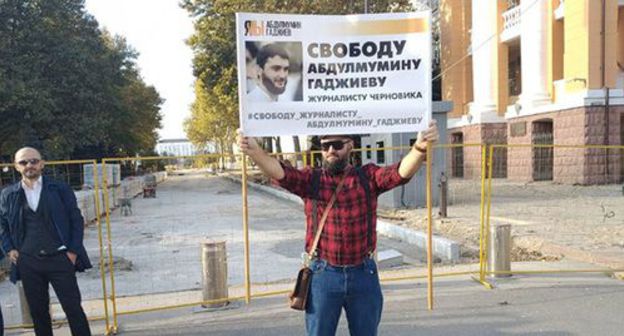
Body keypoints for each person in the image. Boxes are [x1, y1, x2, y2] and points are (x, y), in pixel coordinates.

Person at [237, 121, 439, 336]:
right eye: (325, 146)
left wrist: (420, 148)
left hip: (363, 274)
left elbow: (399, 173)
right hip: (323, 275)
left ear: (350, 145)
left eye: (336, 144)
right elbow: (280, 173)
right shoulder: (311, 180)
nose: (331, 151)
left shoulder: (367, 178)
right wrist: (254, 151)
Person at [0, 147, 92, 336]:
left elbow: (76, 219)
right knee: (38, 314)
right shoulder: (9, 194)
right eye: (23, 162)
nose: (29, 165)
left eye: (33, 161)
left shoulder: (59, 189)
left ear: (42, 163)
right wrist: (9, 248)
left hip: (60, 258)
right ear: (17, 167)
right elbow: (1, 224)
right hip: (28, 262)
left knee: (73, 309)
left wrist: (73, 252)